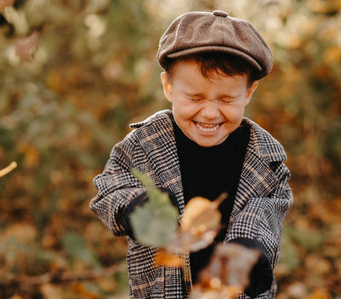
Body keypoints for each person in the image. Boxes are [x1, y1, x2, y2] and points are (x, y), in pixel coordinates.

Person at [90, 10, 293, 299]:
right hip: (162, 291)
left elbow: (268, 209)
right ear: (168, 86)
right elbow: (108, 188)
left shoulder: (264, 158)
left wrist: (249, 244)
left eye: (226, 99)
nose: (210, 113)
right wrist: (133, 204)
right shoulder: (144, 144)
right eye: (195, 98)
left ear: (249, 92)